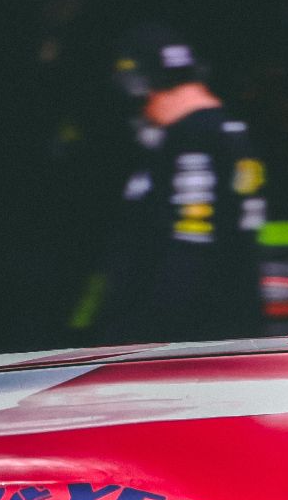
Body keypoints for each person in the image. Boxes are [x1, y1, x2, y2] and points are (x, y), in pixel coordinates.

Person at [99, 23, 266, 342]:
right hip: (224, 319)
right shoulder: (228, 131)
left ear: (138, 85)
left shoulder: (191, 138)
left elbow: (191, 243)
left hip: (185, 333)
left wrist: (144, 329)